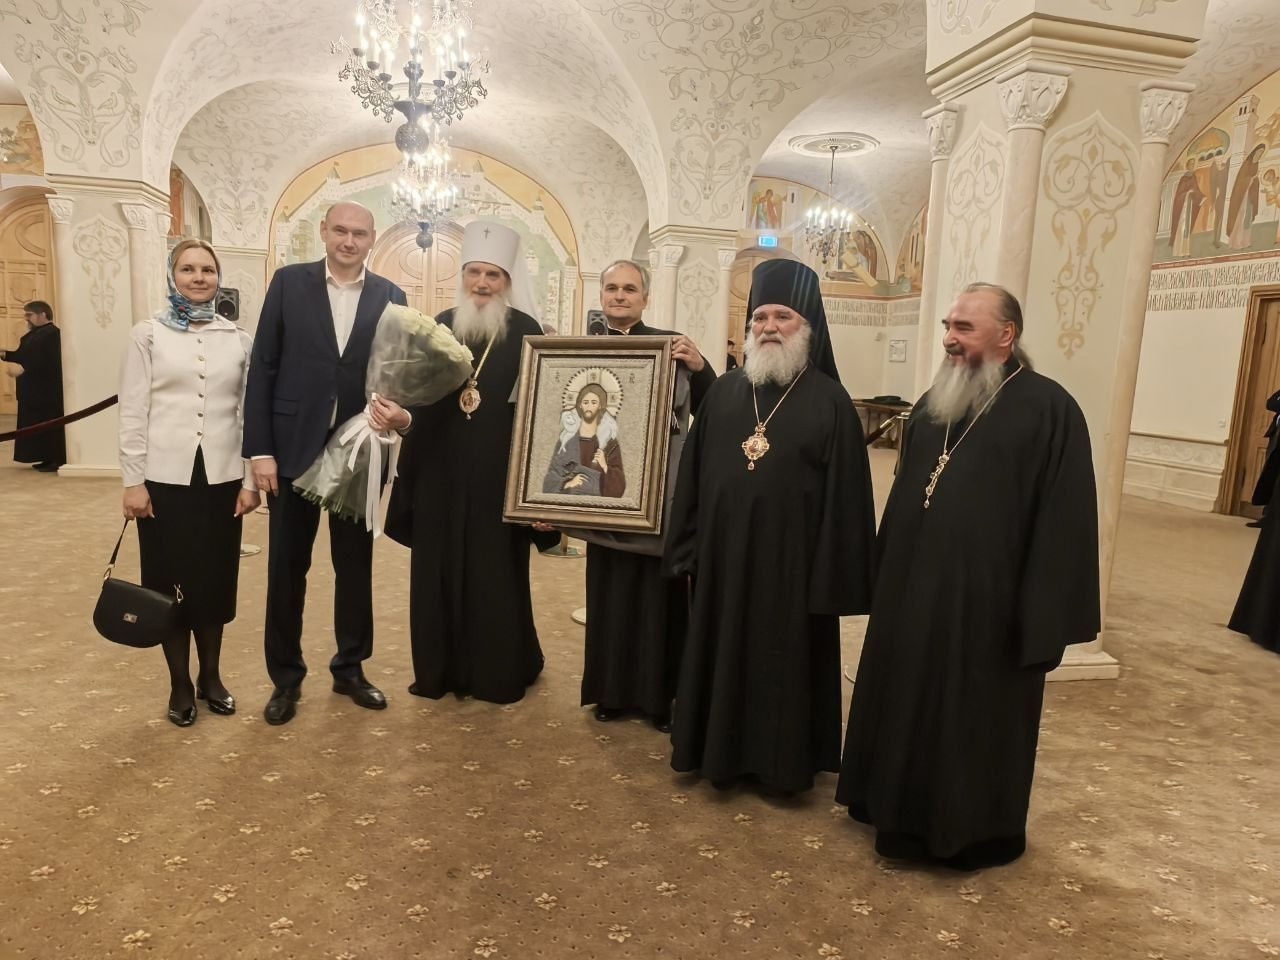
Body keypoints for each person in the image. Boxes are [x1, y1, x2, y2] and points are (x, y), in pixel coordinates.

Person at [837, 282, 1100, 870]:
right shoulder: (937, 402)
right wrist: (886, 575)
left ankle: (971, 832)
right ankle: (888, 805)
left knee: (969, 718)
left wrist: (1042, 616)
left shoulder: (1050, 409)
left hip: (989, 606)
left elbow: (1066, 522)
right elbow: (908, 495)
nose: (950, 339)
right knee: (905, 697)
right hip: (913, 592)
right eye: (948, 326)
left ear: (1006, 335)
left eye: (964, 328)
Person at [663, 258, 876, 793]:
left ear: (808, 326)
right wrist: (686, 546)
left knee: (784, 664)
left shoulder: (832, 402)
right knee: (719, 650)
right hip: (723, 560)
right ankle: (716, 753)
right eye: (760, 317)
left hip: (792, 568)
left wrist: (831, 579)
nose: (768, 327)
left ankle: (781, 767)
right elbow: (692, 477)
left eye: (783, 316)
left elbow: (847, 501)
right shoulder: (725, 393)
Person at [243, 201, 409, 725]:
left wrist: (396, 417)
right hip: (291, 447)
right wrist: (260, 451)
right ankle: (285, 678)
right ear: (323, 231)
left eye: (359, 233)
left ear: (372, 238)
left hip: (358, 450)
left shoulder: (392, 296)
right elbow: (263, 367)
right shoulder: (288, 283)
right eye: (340, 230)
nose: (349, 241)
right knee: (287, 568)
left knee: (354, 567)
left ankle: (350, 668)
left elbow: (399, 372)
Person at [384, 220, 557, 704]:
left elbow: (543, 415)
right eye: (474, 273)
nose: (482, 283)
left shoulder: (526, 332)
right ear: (462, 276)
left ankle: (497, 672)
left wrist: (539, 491)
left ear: (507, 281)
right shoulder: (439, 325)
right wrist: (402, 418)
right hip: (439, 474)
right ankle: (439, 671)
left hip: (499, 478)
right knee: (436, 572)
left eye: (493, 275)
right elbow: (419, 401)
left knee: (494, 574)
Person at [117, 240, 260, 726]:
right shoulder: (147, 334)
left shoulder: (238, 339)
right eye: (188, 269)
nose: (199, 278)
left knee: (214, 582)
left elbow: (248, 415)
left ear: (219, 278)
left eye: (207, 270)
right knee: (168, 584)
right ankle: (179, 682)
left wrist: (249, 480)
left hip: (222, 479)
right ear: (172, 275)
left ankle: (211, 676)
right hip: (163, 480)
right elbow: (133, 410)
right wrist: (133, 481)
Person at [575, 259, 715, 732]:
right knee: (609, 594)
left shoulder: (672, 346)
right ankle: (611, 693)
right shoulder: (578, 350)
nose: (620, 296)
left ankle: (660, 699)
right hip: (604, 489)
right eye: (612, 288)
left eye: (630, 289)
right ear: (601, 296)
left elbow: (714, 406)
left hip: (660, 491)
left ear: (645, 298)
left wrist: (701, 367)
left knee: (661, 598)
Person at [0, 300, 65, 472]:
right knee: (36, 426)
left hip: (46, 392)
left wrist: (24, 369)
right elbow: (24, 356)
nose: (26, 318)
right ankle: (44, 457)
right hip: (32, 392)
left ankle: (55, 459)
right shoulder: (34, 335)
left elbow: (47, 361)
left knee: (49, 426)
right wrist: (5, 354)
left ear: (43, 314)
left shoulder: (52, 334)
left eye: (29, 315)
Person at [542, 382, 625, 496]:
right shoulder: (566, 441)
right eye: (585, 402)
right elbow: (550, 480)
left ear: (600, 406)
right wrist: (567, 484)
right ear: (580, 405)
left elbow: (619, 489)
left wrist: (605, 466)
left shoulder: (609, 443)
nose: (589, 407)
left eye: (593, 402)